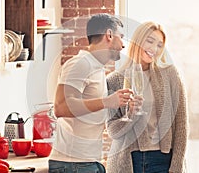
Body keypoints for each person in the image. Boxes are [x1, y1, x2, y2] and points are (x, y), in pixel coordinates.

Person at [48, 13, 134, 173]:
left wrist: (127, 111)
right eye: (120, 37)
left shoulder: (95, 66)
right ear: (109, 35)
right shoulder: (80, 64)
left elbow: (90, 114)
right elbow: (60, 107)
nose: (123, 45)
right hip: (73, 164)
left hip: (88, 162)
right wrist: (108, 101)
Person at [106, 21, 189, 173]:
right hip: (128, 161)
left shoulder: (170, 75)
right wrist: (130, 115)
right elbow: (112, 130)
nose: (154, 48)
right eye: (150, 41)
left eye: (159, 45)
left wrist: (177, 166)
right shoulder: (114, 80)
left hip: (163, 160)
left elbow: (181, 125)